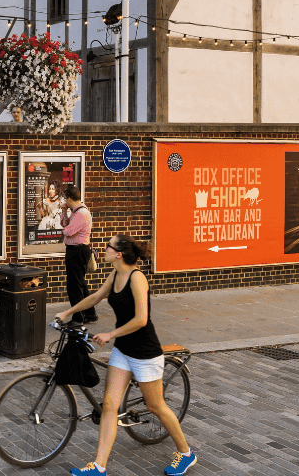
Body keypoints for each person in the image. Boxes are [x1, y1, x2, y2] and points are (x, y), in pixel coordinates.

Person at [55, 234, 196, 476]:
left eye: (108, 246)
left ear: (118, 253)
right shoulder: (116, 274)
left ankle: (186, 453)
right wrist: (67, 312)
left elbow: (141, 319)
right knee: (109, 405)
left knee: (155, 406)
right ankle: (98, 467)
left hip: (144, 353)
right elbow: (96, 296)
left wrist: (110, 333)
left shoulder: (137, 278)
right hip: (123, 350)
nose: (104, 248)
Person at [60, 184, 97, 324]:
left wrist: (66, 229)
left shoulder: (81, 213)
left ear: (69, 199)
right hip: (76, 250)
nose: (64, 202)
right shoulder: (75, 212)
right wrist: (64, 213)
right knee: (80, 284)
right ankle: (90, 313)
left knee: (74, 286)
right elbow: (64, 224)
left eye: (65, 199)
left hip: (77, 251)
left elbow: (67, 231)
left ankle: (78, 318)